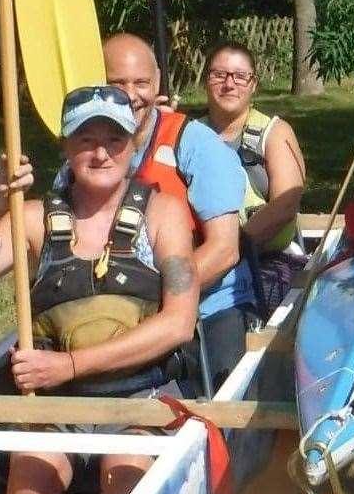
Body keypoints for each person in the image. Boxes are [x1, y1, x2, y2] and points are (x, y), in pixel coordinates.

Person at [0, 85, 198, 494]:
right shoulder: (31, 220)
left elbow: (178, 323)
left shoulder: (165, 214)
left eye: (114, 140)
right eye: (86, 140)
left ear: (133, 143)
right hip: (57, 408)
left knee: (131, 493)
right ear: (65, 146)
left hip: (141, 400)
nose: (101, 154)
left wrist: (68, 365)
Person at [102, 33, 257, 392]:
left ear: (156, 84)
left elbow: (224, 250)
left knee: (226, 402)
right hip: (121, 306)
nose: (130, 94)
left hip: (210, 303)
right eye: (116, 83)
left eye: (141, 83)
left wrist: (154, 298)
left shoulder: (198, 145)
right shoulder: (87, 156)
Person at [200, 41, 308, 315]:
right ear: (206, 81)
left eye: (240, 76)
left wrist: (228, 247)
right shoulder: (189, 135)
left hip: (266, 260)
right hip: (201, 259)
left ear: (253, 84)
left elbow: (286, 203)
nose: (229, 84)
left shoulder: (275, 132)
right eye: (219, 74)